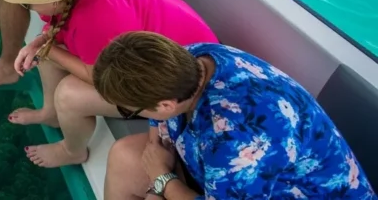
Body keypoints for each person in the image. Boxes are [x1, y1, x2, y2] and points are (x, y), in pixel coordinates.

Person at [2, 0, 218, 169]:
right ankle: (50, 113)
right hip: (171, 58)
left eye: (26, 2)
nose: (23, 5)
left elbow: (99, 77)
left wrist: (48, 50)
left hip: (184, 92)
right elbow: (57, 28)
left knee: (69, 95)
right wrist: (40, 43)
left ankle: (72, 151)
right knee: (46, 50)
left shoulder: (97, 17)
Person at [93, 31, 376, 199]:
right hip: (225, 175)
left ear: (166, 104)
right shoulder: (193, 59)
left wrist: (162, 181)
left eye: (129, 110)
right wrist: (156, 158)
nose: (128, 113)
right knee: (124, 155)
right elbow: (159, 124)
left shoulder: (237, 139)